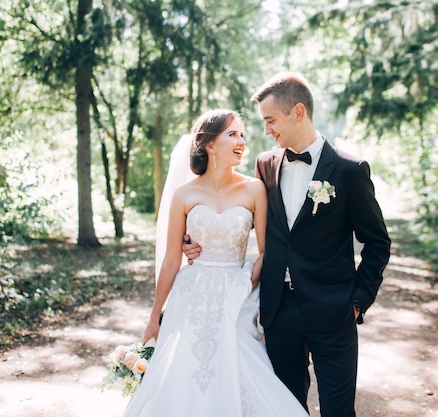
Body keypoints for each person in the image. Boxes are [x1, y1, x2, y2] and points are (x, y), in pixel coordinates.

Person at [183, 72, 391, 417]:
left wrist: (358, 300)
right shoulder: (265, 165)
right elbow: (235, 214)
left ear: (298, 112)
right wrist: (192, 238)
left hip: (333, 309)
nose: (266, 131)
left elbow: (378, 242)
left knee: (339, 410)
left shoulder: (349, 170)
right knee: (283, 408)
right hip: (279, 311)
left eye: (270, 121)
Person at [123, 109, 309, 417]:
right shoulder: (184, 194)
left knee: (241, 365)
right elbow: (171, 260)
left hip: (237, 294)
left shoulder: (254, 189)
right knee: (183, 372)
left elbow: (267, 251)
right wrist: (154, 316)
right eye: (232, 134)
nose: (241, 142)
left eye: (242, 135)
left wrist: (246, 282)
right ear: (210, 144)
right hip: (191, 295)